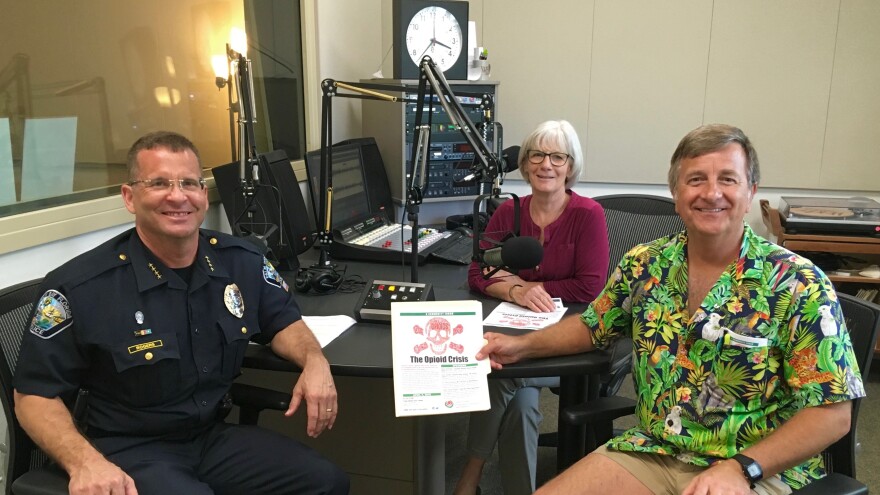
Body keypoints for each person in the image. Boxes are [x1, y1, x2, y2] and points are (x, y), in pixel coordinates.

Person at [476, 123, 864, 495]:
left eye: (728, 179)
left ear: (750, 192)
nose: (711, 193)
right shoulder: (646, 263)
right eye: (696, 179)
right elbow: (592, 326)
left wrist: (742, 467)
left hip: (754, 468)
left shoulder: (797, 283)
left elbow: (832, 414)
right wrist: (521, 346)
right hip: (654, 450)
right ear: (676, 193)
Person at [13, 131, 350, 495]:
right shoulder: (81, 287)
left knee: (325, 482)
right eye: (158, 183)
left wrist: (314, 361)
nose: (178, 196)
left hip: (209, 438)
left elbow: (284, 321)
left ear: (203, 195)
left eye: (189, 183)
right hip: (126, 448)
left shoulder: (240, 262)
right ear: (129, 197)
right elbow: (33, 397)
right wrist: (84, 463)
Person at [455, 120, 610, 495]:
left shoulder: (588, 215)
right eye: (537, 155)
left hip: (569, 342)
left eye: (557, 157)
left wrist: (531, 288)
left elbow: (589, 287)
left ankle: (469, 478)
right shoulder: (509, 212)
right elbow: (479, 270)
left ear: (570, 166)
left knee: (502, 372)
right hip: (515, 331)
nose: (546, 165)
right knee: (522, 404)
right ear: (525, 164)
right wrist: (516, 291)